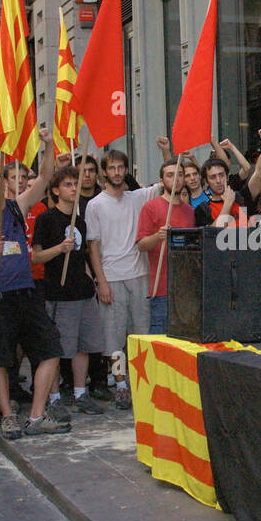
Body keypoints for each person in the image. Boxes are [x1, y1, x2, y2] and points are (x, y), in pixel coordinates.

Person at [0, 129, 68, 439]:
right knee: (0, 358)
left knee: (51, 349)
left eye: (1, 176)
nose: (1, 180)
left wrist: (48, 144)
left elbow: (46, 176)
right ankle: (8, 416)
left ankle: (36, 415)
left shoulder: (16, 206)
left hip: (26, 292)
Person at [85, 139, 170, 409]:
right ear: (104, 172)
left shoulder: (138, 197)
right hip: (112, 277)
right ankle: (121, 384)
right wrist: (102, 282)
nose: (118, 172)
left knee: (140, 333)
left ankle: (140, 382)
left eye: (121, 167)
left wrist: (166, 152)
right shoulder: (95, 205)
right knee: (114, 337)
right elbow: (93, 247)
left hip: (140, 275)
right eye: (112, 168)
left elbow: (169, 180)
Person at [33, 166, 106, 414]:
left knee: (83, 346)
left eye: (76, 184)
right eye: (68, 185)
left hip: (82, 292)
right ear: (55, 190)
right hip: (59, 293)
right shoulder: (46, 219)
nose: (74, 188)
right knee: (57, 349)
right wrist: (58, 249)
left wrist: (90, 280)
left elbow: (82, 257)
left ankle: (79, 393)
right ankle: (53, 398)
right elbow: (36, 257)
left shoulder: (81, 221)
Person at [136, 156, 196, 334]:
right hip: (161, 288)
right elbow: (141, 245)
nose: (176, 179)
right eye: (170, 175)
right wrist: (158, 236)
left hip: (186, 289)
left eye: (179, 175)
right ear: (162, 181)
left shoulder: (189, 211)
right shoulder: (151, 207)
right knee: (161, 340)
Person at [193, 130, 261, 227]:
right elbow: (211, 236)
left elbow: (259, 174)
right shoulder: (203, 209)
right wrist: (227, 204)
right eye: (213, 177)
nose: (218, 180)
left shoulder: (240, 198)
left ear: (227, 177)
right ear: (206, 181)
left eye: (221, 175)